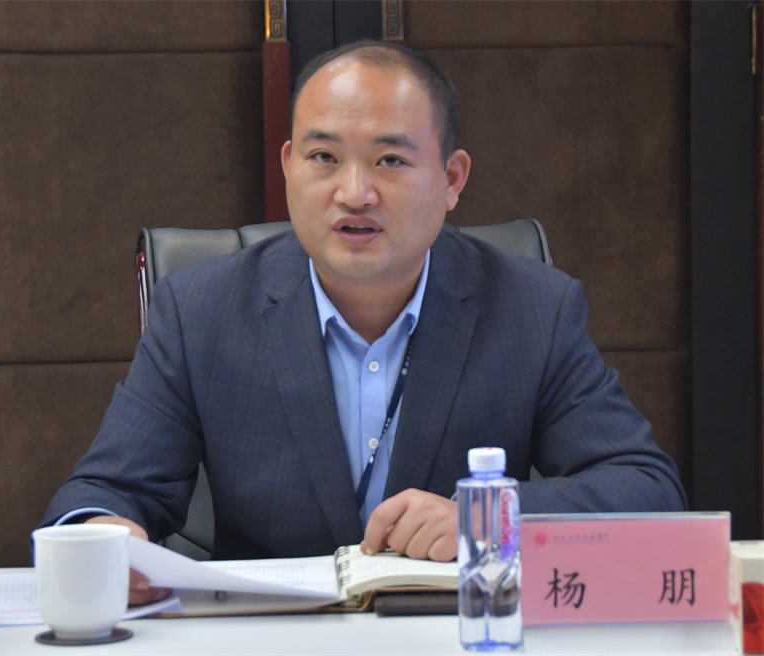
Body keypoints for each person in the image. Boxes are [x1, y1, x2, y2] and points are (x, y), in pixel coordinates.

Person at [40, 40, 686, 605]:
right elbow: (103, 491)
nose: (354, 193)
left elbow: (647, 490)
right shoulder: (201, 310)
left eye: (390, 161)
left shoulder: (534, 308)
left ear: (451, 178)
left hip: (450, 636)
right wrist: (106, 536)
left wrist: (488, 517)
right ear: (288, 167)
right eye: (324, 157)